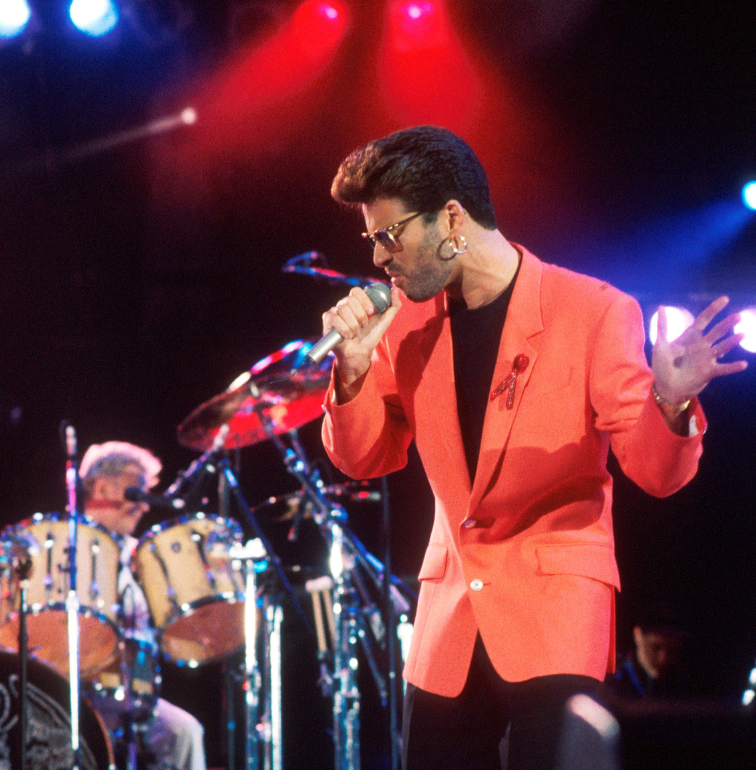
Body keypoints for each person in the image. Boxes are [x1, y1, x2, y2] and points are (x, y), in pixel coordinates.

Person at [318, 126, 747, 770]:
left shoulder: (592, 310)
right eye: (372, 240)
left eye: (389, 235)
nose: (379, 258)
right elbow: (364, 460)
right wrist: (349, 372)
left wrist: (671, 402)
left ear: (451, 219)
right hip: (449, 622)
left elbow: (655, 474)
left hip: (556, 617)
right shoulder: (402, 326)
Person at [79, 441, 207, 770]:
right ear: (103, 486)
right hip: (76, 687)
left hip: (135, 694)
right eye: (137, 492)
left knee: (185, 732)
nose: (145, 505)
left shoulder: (144, 556)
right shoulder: (66, 545)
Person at [608, 603, 693, 699]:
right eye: (655, 647)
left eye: (672, 649)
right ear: (638, 635)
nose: (663, 659)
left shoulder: (686, 684)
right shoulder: (612, 683)